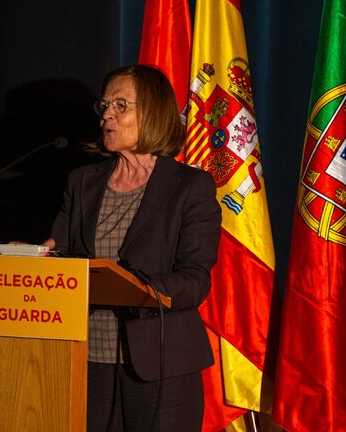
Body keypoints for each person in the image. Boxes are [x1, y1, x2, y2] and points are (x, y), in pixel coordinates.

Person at [44, 64, 222, 432]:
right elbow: (59, 253)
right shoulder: (82, 182)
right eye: (104, 105)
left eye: (121, 105)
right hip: (86, 359)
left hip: (161, 363)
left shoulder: (191, 186)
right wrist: (36, 257)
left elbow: (195, 280)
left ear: (153, 112)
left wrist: (135, 288)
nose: (107, 114)